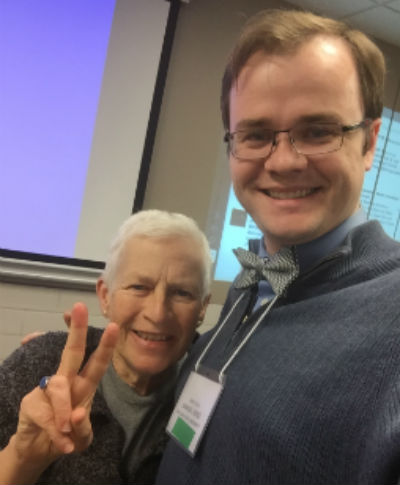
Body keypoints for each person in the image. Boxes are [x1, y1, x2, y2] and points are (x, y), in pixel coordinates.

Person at [156, 8, 400, 485]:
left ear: (369, 144)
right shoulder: (256, 281)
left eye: (317, 131)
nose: (284, 161)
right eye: (257, 135)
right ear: (232, 146)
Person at [0, 209, 211, 484]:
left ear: (203, 308)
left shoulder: (217, 393)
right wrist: (24, 457)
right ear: (105, 296)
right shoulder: (37, 365)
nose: (158, 313)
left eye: (182, 293)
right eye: (138, 287)